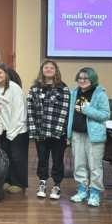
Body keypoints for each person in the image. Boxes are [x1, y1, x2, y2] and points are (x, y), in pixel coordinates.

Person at [27, 60, 70, 200]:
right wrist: (33, 129)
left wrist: (58, 131)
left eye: (52, 68)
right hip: (40, 132)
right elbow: (30, 109)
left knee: (58, 159)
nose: (49, 69)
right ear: (42, 70)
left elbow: (65, 111)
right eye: (46, 67)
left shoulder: (63, 88)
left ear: (56, 70)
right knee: (42, 158)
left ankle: (57, 185)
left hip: (58, 132)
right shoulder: (34, 88)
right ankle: (42, 182)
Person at [67, 67, 110, 207]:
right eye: (80, 78)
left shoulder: (100, 94)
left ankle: (95, 193)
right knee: (79, 164)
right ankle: (82, 190)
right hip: (77, 134)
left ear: (92, 79)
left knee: (94, 166)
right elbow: (70, 114)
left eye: (85, 78)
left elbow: (105, 115)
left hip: (94, 136)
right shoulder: (74, 93)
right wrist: (68, 133)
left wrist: (87, 110)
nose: (82, 81)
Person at [0, 63, 29, 194]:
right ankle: (7, 180)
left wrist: (12, 131)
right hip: (3, 129)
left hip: (18, 129)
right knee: (5, 156)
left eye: (0, 73)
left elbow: (19, 111)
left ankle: (18, 183)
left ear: (6, 74)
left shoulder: (14, 88)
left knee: (17, 157)